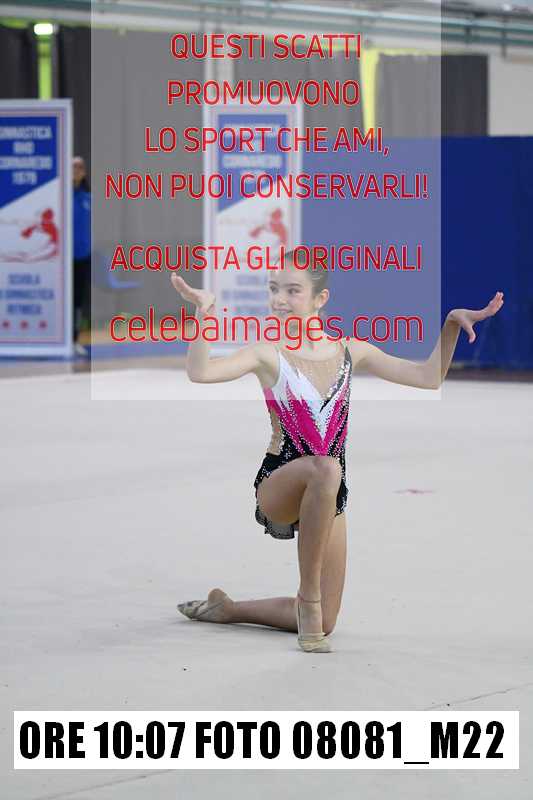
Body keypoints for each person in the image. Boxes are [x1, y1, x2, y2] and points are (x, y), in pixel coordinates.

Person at [172, 251, 504, 653]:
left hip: (329, 493)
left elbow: (428, 376)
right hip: (280, 483)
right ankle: (308, 598)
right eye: (274, 289)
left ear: (320, 298)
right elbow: (201, 372)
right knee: (327, 468)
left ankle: (228, 609)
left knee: (327, 621)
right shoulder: (267, 352)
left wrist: (450, 325)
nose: (279, 299)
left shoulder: (349, 351)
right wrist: (204, 313)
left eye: (292, 290)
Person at [72, 156, 91, 355]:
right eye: (73, 167)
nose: (76, 170)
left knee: (78, 300)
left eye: (79, 167)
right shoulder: (60, 198)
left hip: (82, 257)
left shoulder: (88, 199)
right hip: (63, 259)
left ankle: (75, 339)